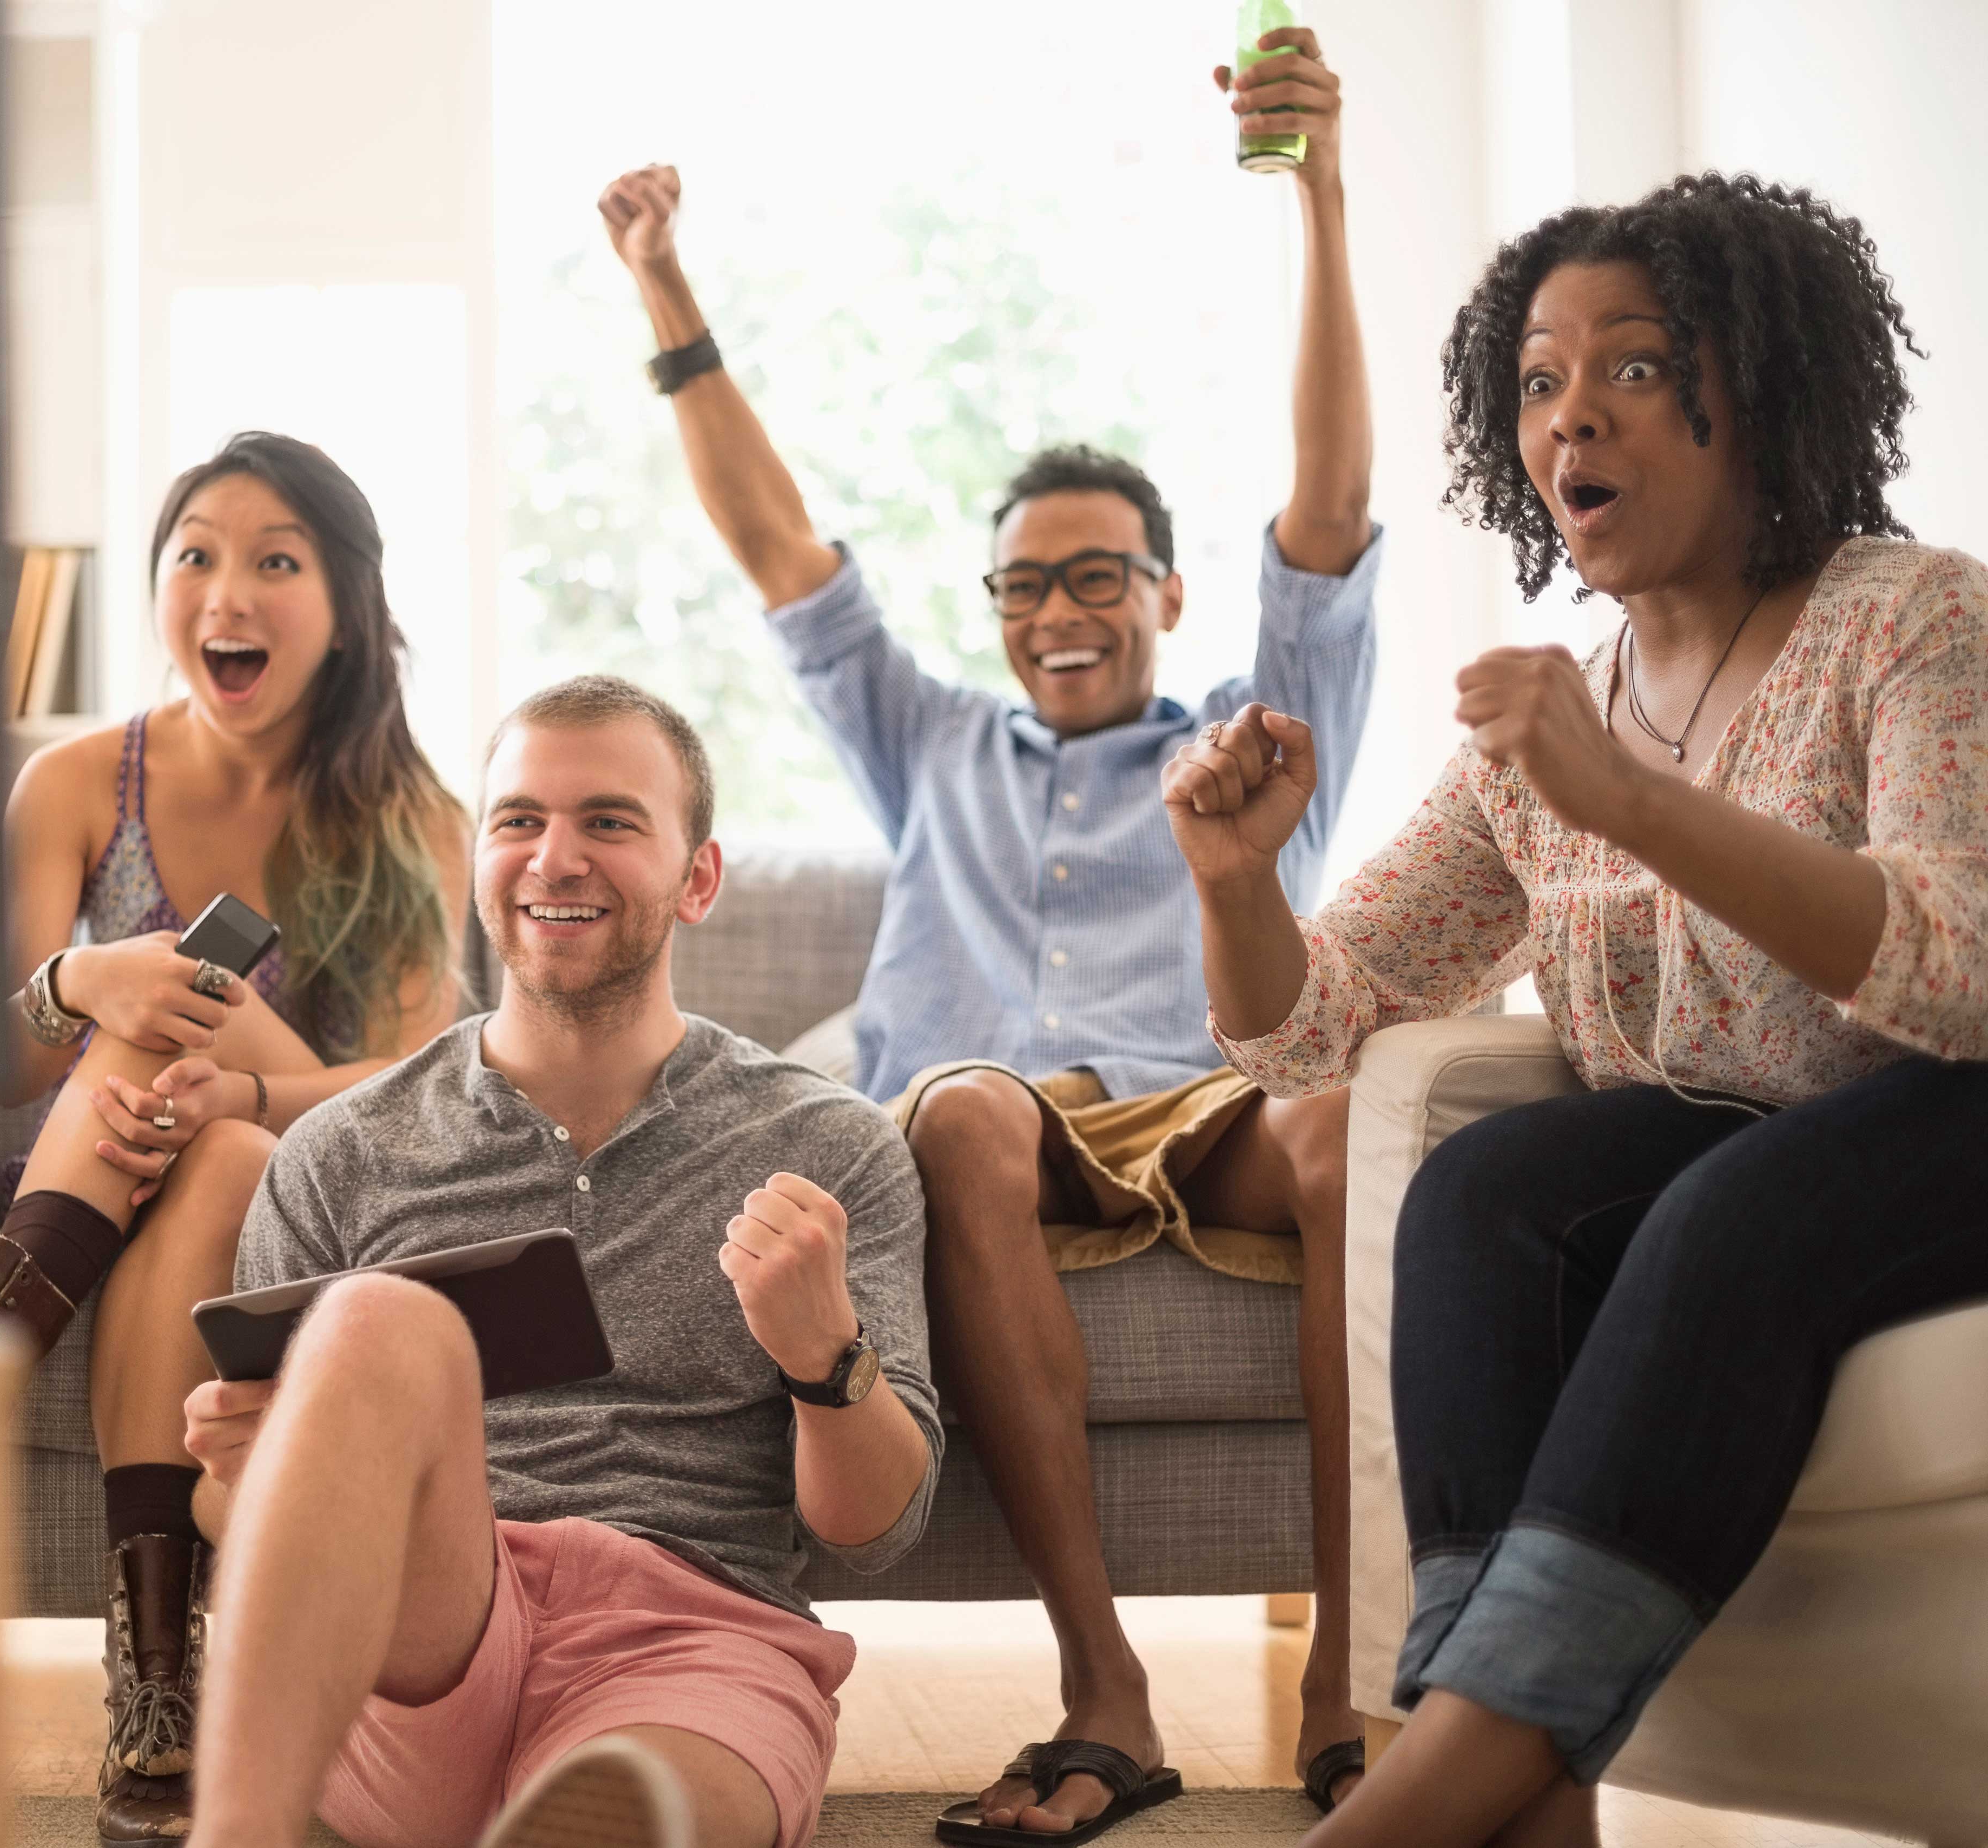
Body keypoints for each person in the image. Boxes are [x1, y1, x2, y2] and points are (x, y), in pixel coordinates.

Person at [598, 27, 1379, 1827]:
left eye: (1097, 573)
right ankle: (1105, 1687)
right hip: (1001, 1122)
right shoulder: (934, 740)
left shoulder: (1267, 741)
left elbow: (1329, 510)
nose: (1058, 611)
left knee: (1347, 1119)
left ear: (1169, 592)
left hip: (1209, 1097)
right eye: (1024, 582)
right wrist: (665, 289)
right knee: (953, 1106)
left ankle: (1348, 1670)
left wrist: (1321, 197)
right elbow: (778, 542)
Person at [1166, 174, 1988, 1848]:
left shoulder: (1911, 617)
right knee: (1486, 1189)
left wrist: (1627, 801)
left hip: (1955, 1111)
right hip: (1751, 1142)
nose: (1571, 417)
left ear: (1753, 385)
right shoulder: (1552, 727)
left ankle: (1425, 1794)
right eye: (1538, 383)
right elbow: (1307, 1035)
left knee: (1735, 1204)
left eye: (1629, 363)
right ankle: (1530, 1813)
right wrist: (1234, 880)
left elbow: (1957, 969)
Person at [173, 675, 942, 1848]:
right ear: (477, 862)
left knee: (635, 1803)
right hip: (423, 1626)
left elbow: (873, 1529)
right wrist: (251, 1470)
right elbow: (230, 1513)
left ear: (698, 878)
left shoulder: (829, 1145)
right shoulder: (341, 1149)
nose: (555, 857)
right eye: (519, 820)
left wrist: (822, 1353)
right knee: (384, 1319)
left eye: (610, 821)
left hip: (694, 1642)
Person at [0, 431, 470, 1842]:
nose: (226, 595)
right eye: (197, 557)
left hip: (317, 1179)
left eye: (275, 562)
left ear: (346, 607)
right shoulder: (73, 784)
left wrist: (231, 1084)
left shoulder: (417, 817)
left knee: (200, 1037)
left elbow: (423, 1089)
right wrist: (80, 981)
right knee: (152, 1009)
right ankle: (159, 1675)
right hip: (106, 1160)